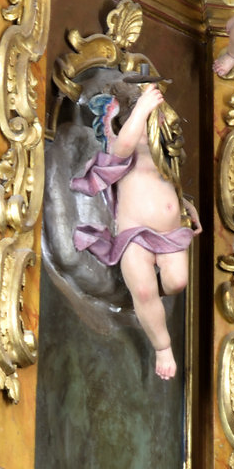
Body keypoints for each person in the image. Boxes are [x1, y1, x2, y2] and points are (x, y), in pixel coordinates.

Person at [71, 80, 200, 379]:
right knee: (143, 290)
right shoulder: (123, 150)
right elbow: (123, 146)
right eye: (143, 121)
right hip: (134, 236)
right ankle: (162, 347)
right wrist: (141, 109)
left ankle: (149, 297)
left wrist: (186, 207)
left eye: (154, 119)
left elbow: (171, 184)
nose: (149, 127)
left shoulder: (160, 154)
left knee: (178, 281)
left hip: (169, 234)